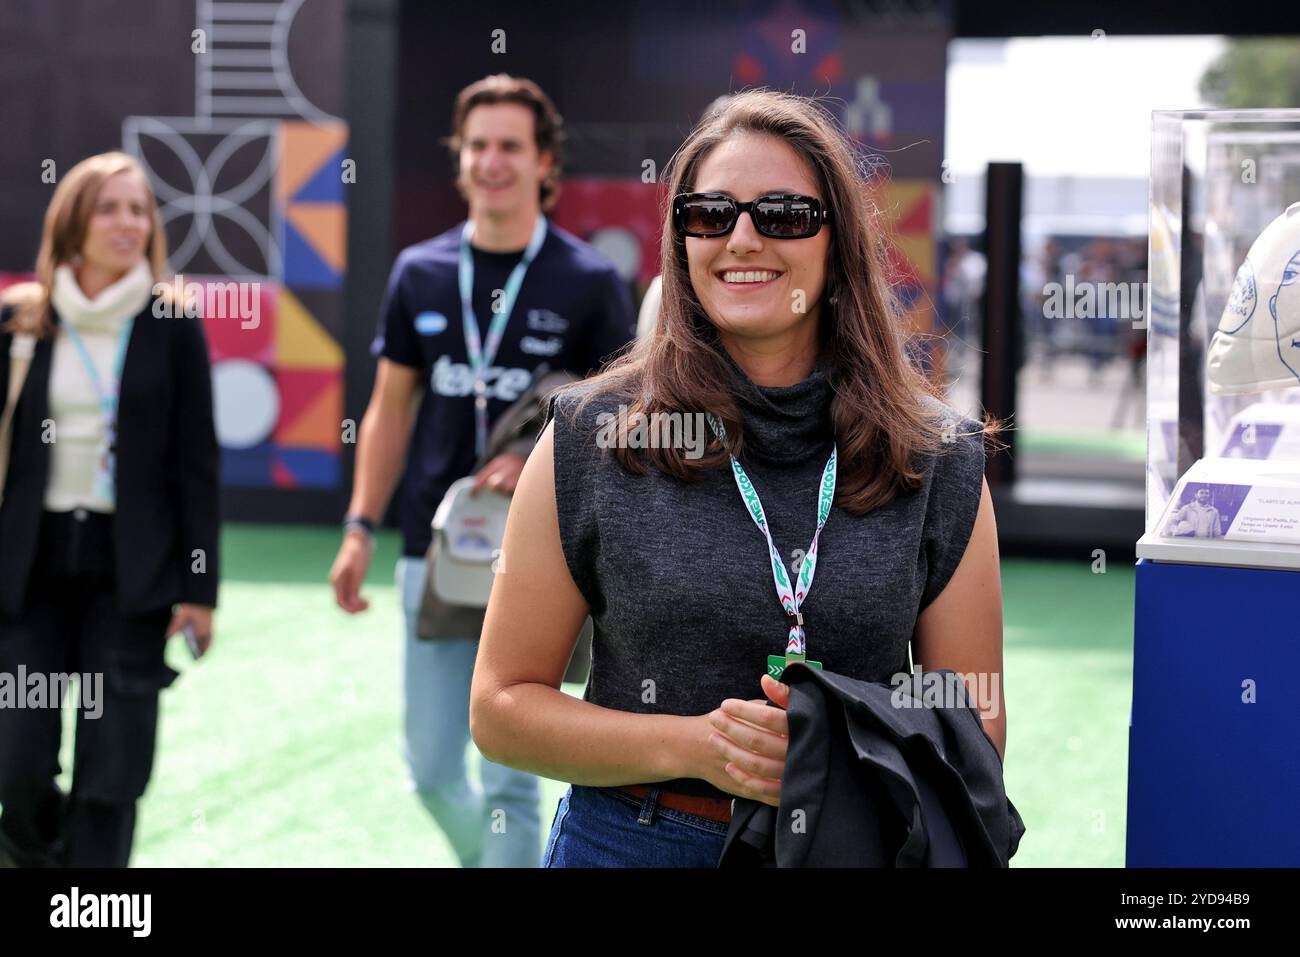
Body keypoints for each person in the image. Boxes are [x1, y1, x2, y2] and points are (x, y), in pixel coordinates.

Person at [469, 89, 1009, 868]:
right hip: (632, 842)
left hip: (849, 843)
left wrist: (834, 745)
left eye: (784, 214)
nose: (742, 238)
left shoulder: (936, 456)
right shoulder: (590, 435)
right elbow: (500, 707)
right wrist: (700, 746)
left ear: (839, 244)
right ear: (682, 238)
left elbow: (975, 723)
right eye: (710, 213)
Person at [328, 74, 636, 868]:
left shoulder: (590, 281)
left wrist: (538, 452)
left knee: (510, 780)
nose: (492, 161)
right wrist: (361, 525)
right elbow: (391, 407)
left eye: (510, 146)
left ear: (544, 164)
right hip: (434, 548)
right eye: (478, 146)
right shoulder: (419, 273)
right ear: (460, 161)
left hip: (537, 561)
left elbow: (624, 421)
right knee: (430, 769)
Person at [0, 151, 219, 868]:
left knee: (112, 764)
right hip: (27, 568)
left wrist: (199, 588)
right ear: (72, 221)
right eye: (108, 207)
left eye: (139, 209)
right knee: (16, 755)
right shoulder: (21, 320)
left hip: (132, 573)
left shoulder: (171, 322)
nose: (127, 222)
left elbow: (196, 463)